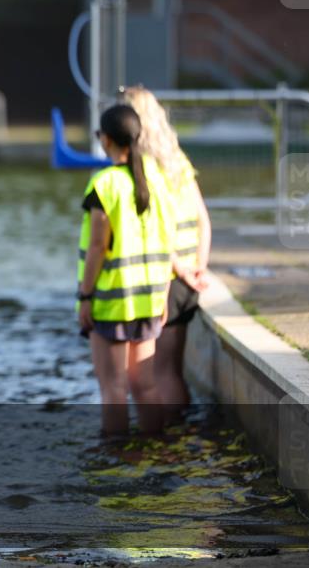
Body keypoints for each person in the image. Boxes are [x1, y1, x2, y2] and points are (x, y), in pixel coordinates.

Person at [76, 104, 176, 436]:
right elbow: (168, 240)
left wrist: (85, 296)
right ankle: (155, 448)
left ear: (105, 140)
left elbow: (97, 247)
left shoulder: (104, 185)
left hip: (112, 301)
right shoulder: (158, 179)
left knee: (114, 390)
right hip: (149, 299)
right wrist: (163, 296)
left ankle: (114, 460)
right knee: (145, 385)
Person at [123, 87, 211, 412]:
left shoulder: (143, 167)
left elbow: (156, 232)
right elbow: (203, 218)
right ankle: (182, 436)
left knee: (160, 372)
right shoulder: (178, 161)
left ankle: (168, 440)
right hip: (189, 278)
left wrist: (179, 268)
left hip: (168, 279)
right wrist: (198, 266)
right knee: (174, 369)